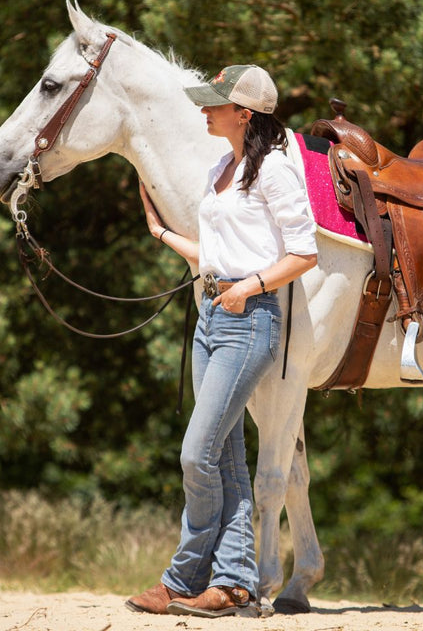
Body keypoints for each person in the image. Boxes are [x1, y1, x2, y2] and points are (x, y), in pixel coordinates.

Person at [126, 65, 318, 618]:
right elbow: (216, 251)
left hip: (249, 317)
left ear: (246, 114)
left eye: (215, 103)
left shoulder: (275, 171)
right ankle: (233, 583)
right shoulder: (223, 167)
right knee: (228, 457)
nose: (204, 110)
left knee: (196, 454)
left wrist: (250, 288)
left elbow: (303, 252)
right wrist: (161, 233)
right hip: (211, 315)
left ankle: (182, 575)